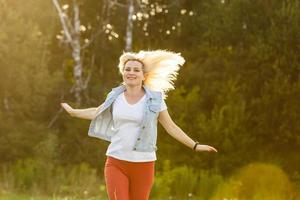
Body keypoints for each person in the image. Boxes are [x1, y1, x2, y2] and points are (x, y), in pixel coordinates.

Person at [61, 49, 217, 200]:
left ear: (144, 76)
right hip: (116, 161)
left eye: (136, 70)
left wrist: (195, 146)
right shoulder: (115, 97)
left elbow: (171, 127)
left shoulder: (156, 100)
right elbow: (96, 112)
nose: (131, 72)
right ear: (123, 73)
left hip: (144, 163)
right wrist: (73, 112)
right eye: (127, 69)